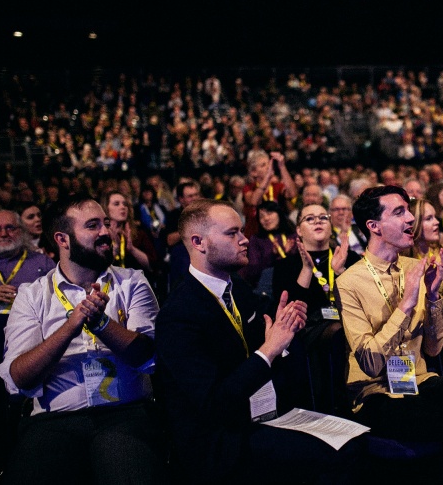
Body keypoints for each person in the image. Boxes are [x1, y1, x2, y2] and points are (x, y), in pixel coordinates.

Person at [155, 199, 362, 485]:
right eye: (232, 233)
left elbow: (274, 334)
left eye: (241, 232)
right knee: (337, 455)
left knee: (355, 439)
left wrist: (285, 328)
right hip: (221, 443)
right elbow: (214, 404)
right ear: (198, 242)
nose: (244, 240)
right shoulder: (178, 314)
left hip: (262, 416)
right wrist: (269, 351)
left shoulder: (236, 287)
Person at [335, 185, 443, 484]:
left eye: (409, 210)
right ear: (374, 226)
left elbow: (434, 349)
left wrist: (433, 296)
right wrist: (407, 303)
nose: (411, 218)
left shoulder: (414, 267)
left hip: (417, 380)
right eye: (399, 212)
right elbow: (370, 364)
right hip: (376, 392)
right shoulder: (349, 282)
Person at [0, 196, 162, 484]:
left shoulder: (132, 282)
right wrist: (70, 328)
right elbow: (20, 377)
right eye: (93, 225)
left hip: (123, 414)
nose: (105, 232)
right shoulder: (32, 294)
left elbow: (149, 358)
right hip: (54, 420)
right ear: (63, 239)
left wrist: (100, 323)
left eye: (105, 224)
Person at [272, 203, 361, 413]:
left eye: (323, 217)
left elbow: (361, 301)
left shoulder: (351, 258)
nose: (318, 221)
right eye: (309, 219)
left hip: (348, 322)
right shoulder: (286, 265)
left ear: (331, 226)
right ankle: (335, 406)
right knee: (338, 331)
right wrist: (306, 270)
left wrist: (340, 273)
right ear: (298, 230)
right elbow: (291, 310)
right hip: (306, 330)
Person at [0, 209, 55, 480]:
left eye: (10, 228)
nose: (4, 234)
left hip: (30, 340)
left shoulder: (41, 262)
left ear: (22, 231)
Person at [403, 197, 443, 314]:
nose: (437, 222)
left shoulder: (442, 249)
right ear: (414, 224)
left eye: (435, 216)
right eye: (429, 218)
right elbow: (428, 294)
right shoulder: (407, 259)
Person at [240, 200, 297, 297]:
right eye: (261, 216)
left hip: (293, 283)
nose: (266, 218)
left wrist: (289, 254)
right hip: (268, 288)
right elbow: (252, 272)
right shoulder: (257, 239)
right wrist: (272, 255)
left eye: (269, 213)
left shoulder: (293, 236)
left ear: (279, 214)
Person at [242, 151, 298, 238]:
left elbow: (292, 194)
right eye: (263, 165)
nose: (269, 166)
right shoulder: (248, 188)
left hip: (278, 235)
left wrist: (282, 166)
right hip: (255, 237)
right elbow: (254, 201)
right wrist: (268, 177)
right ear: (254, 172)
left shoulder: (277, 186)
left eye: (269, 163)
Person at [102, 190, 156, 275]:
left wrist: (132, 249)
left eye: (125, 204)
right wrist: (115, 250)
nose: (123, 207)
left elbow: (152, 265)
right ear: (106, 209)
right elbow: (96, 270)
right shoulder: (101, 235)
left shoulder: (138, 234)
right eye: (116, 204)